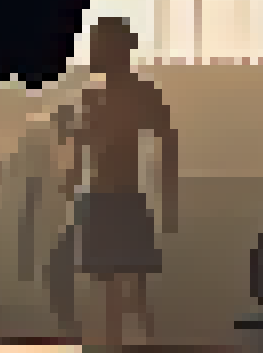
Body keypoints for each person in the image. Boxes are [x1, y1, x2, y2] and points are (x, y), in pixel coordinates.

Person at [60, 17, 178, 348]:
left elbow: (167, 141)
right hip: (103, 199)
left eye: (100, 45)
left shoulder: (139, 94)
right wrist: (70, 184)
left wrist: (169, 198)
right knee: (112, 291)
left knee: (132, 289)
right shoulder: (95, 95)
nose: (95, 52)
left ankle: (137, 344)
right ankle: (114, 345)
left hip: (123, 198)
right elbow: (82, 143)